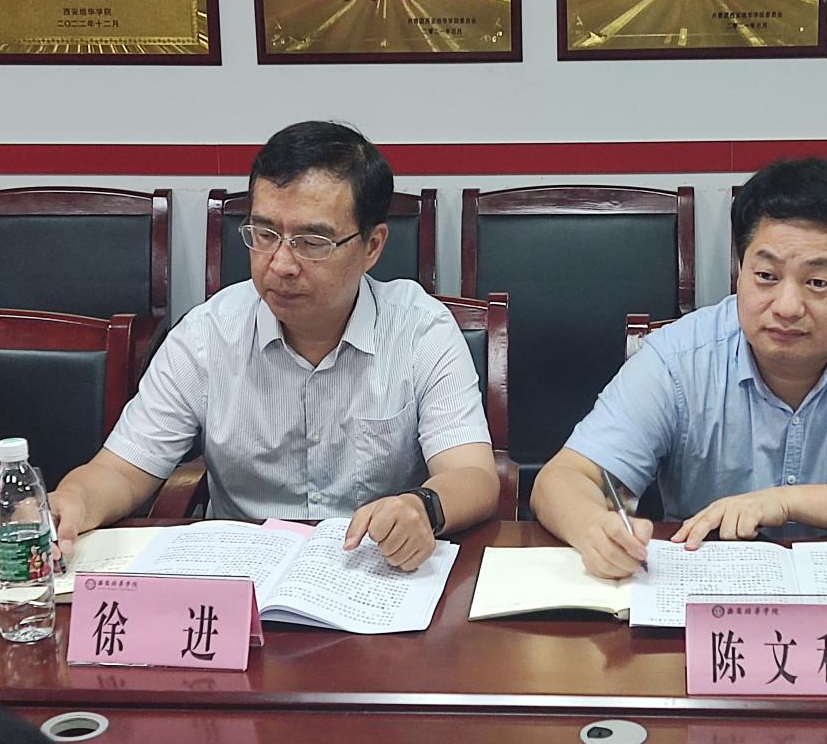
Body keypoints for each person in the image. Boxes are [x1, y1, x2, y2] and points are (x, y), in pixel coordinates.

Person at [51, 120, 498, 571]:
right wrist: (74, 501)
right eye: (265, 235)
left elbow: (472, 474)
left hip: (370, 569)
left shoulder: (420, 330)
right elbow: (121, 470)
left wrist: (422, 506)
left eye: (312, 242)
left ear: (372, 246)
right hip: (239, 579)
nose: (281, 264)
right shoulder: (207, 335)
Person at [531, 157, 827, 579]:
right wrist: (594, 530)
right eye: (766, 276)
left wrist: (786, 502)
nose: (786, 306)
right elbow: (561, 480)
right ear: (740, 269)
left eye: (817, 282)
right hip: (708, 596)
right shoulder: (679, 357)